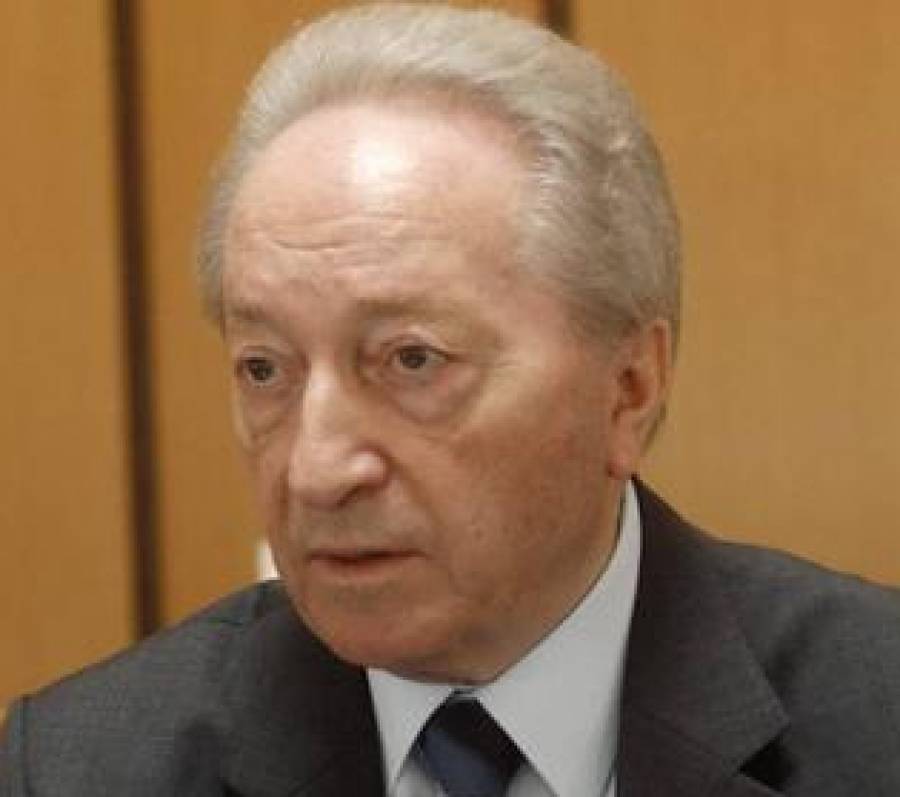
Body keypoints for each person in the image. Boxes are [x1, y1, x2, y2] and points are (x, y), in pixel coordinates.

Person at [2, 3, 898, 795]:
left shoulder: (878, 718)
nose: (316, 469)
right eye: (265, 369)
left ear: (629, 389)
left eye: (411, 360)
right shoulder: (81, 768)